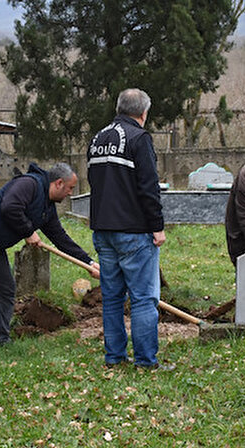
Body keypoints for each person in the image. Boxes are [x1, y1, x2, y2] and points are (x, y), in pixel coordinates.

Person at [0, 162, 99, 354]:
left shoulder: (47, 209)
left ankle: (0, 339)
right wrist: (28, 231)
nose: (70, 193)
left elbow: (61, 238)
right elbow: (10, 206)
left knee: (6, 290)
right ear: (58, 183)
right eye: (70, 188)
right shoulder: (29, 184)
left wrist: (88, 263)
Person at [87, 88, 168, 369]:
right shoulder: (139, 138)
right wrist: (157, 227)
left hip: (103, 230)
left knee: (111, 298)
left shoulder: (98, 138)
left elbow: (95, 182)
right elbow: (148, 187)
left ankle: (115, 357)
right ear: (144, 113)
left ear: (119, 108)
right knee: (144, 299)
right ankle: (146, 361)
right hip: (134, 230)